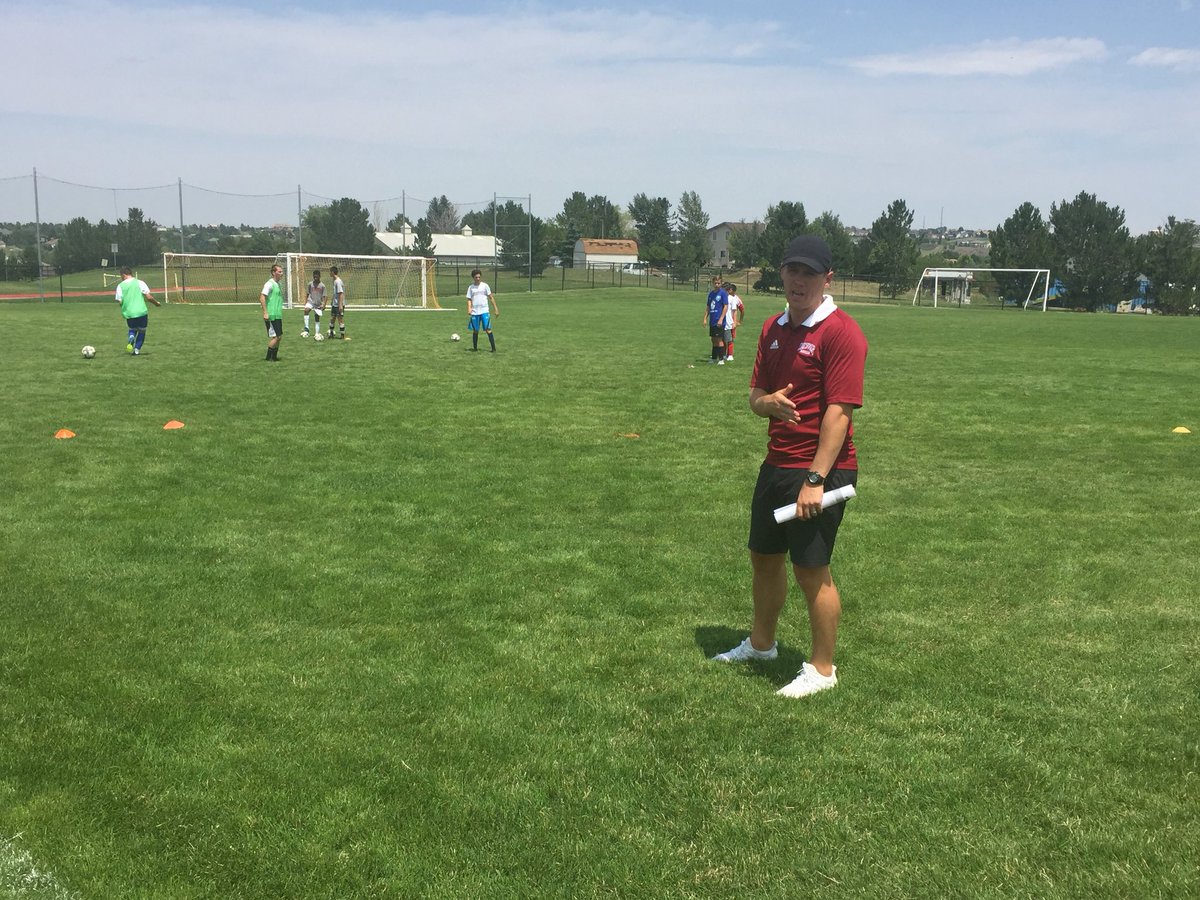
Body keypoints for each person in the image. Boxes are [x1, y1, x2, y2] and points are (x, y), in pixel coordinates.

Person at [712, 235, 868, 698]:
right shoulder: (771, 329)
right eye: (792, 270)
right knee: (763, 558)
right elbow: (755, 398)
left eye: (810, 273)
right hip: (777, 463)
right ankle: (761, 646)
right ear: (780, 272)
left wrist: (815, 480)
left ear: (827, 279)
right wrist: (768, 406)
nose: (799, 281)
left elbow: (839, 414)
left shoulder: (842, 333)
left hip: (822, 470)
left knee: (810, 568)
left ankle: (822, 671)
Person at [115, 266, 161, 356]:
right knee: (142, 331)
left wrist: (124, 305)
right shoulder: (140, 282)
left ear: (123, 275)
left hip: (129, 313)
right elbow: (149, 297)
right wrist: (156, 303)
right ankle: (136, 350)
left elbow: (120, 301)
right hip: (141, 312)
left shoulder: (120, 286)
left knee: (132, 329)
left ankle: (131, 336)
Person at [465, 268, 499, 352]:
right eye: (476, 277)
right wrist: (469, 308)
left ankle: (493, 349)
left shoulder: (485, 286)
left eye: (479, 277)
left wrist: (496, 309)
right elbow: (469, 299)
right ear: (473, 278)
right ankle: (475, 349)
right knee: (475, 330)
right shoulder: (471, 287)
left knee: (488, 329)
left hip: (484, 311)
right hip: (475, 312)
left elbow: (491, 297)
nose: (478, 279)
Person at [260, 263, 285, 361]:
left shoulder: (277, 284)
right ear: (273, 273)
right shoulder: (269, 284)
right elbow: (262, 297)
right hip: (271, 315)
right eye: (279, 271)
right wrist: (265, 312)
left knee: (279, 337)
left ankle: (274, 357)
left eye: (281, 271)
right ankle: (268, 358)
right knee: (275, 337)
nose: (281, 273)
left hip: (277, 315)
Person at [703, 275, 728, 364]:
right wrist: (705, 318)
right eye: (715, 283)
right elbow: (708, 307)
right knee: (713, 340)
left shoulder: (723, 293)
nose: (717, 285)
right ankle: (714, 358)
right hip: (712, 321)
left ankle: (721, 359)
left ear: (721, 283)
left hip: (719, 320)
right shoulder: (711, 294)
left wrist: (721, 319)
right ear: (713, 283)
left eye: (719, 283)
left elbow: (725, 307)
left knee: (719, 339)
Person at [723, 281, 744, 362]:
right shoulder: (723, 297)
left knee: (730, 339)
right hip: (724, 321)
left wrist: (738, 321)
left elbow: (742, 309)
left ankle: (730, 354)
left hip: (731, 321)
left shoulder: (735, 298)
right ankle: (724, 354)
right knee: (723, 338)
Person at [302, 270, 325, 337]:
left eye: (317, 276)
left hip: (318, 303)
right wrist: (305, 302)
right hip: (311, 302)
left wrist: (323, 304)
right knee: (306, 310)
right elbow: (307, 293)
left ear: (319, 276)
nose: (315, 277)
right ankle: (306, 330)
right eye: (314, 276)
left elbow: (325, 296)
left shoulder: (322, 286)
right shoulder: (310, 284)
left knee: (317, 317)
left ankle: (317, 333)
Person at [328, 265, 347, 339]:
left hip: (338, 305)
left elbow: (341, 294)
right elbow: (335, 293)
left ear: (333, 272)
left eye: (330, 272)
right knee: (332, 318)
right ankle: (331, 333)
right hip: (335, 304)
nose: (329, 273)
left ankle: (342, 335)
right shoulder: (334, 280)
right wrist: (332, 300)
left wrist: (340, 305)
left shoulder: (338, 282)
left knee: (340, 319)